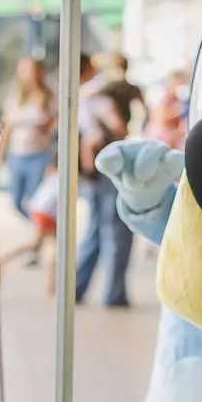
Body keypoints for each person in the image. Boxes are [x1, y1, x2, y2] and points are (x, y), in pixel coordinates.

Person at [74, 54, 132, 308]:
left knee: (95, 229)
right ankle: (114, 293)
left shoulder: (74, 97)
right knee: (117, 232)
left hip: (90, 173)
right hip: (109, 168)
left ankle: (76, 286)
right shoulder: (97, 95)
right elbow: (118, 126)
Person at [0, 56, 56, 231]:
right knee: (16, 201)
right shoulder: (15, 98)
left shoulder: (48, 97)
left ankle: (37, 238)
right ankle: (42, 231)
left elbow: (52, 127)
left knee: (34, 200)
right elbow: (6, 129)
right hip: (17, 154)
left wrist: (42, 124)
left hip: (39, 154)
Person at [0, 154, 58, 295]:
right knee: (40, 245)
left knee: (50, 247)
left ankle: (52, 285)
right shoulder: (61, 177)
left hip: (43, 209)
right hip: (46, 212)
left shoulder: (52, 173)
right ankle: (1, 261)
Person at [145, 68, 190, 151]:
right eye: (177, 83)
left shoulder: (179, 100)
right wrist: (178, 110)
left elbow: (181, 125)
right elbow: (159, 117)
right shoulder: (162, 98)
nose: (179, 86)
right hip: (159, 140)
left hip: (171, 143)